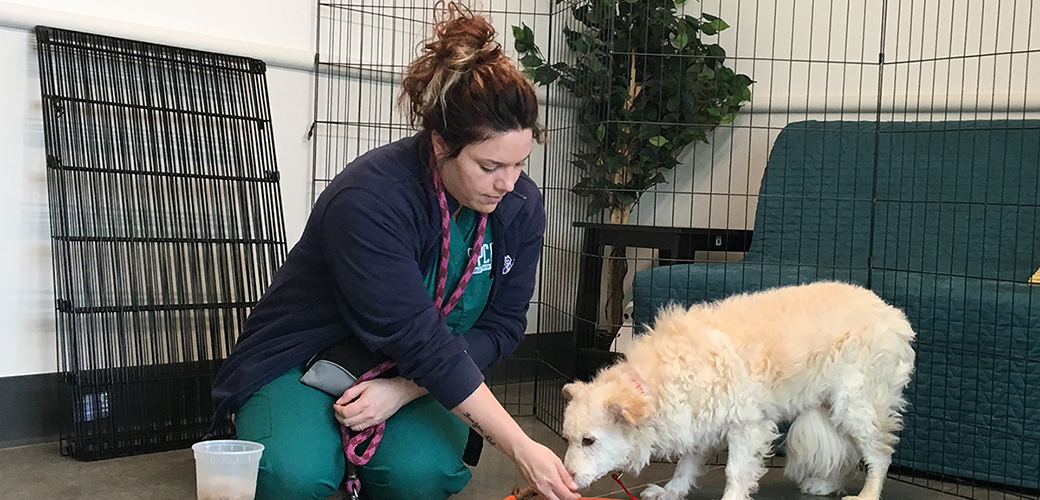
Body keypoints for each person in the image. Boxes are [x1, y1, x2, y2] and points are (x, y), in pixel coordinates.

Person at [209, 3, 580, 500]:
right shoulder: (371, 198)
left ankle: (362, 460)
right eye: (491, 165)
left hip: (413, 372)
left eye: (519, 164)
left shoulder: (520, 203)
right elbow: (420, 340)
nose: (508, 184)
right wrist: (520, 446)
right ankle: (299, 439)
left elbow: (503, 326)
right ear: (442, 143)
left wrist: (407, 388)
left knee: (422, 475)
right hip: (306, 358)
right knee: (291, 475)